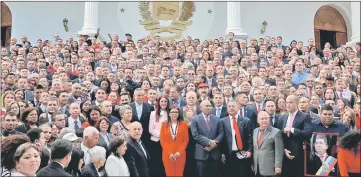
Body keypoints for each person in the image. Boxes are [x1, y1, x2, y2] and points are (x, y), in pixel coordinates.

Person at [277, 94, 312, 176]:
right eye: (287, 102)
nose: (288, 104)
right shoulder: (282, 118)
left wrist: (292, 130)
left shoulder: (304, 117)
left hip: (299, 154)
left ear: (297, 103)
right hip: (285, 154)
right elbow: (278, 135)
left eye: (291, 102)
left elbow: (308, 133)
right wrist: (284, 149)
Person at [191, 100, 224, 177]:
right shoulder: (195, 119)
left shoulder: (217, 119)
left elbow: (221, 134)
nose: (208, 108)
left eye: (209, 106)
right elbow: (195, 135)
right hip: (201, 154)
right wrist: (209, 142)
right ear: (201, 108)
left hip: (215, 154)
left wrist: (214, 144)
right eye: (206, 106)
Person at [220, 100, 253, 177]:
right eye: (229, 106)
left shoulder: (246, 121)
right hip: (228, 154)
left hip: (243, 153)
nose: (231, 108)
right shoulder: (222, 121)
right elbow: (221, 138)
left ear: (238, 108)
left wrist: (249, 150)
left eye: (233, 106)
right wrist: (221, 153)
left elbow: (250, 137)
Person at [160, 106, 189, 177]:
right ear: (169, 114)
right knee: (169, 174)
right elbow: (162, 140)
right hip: (168, 155)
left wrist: (179, 152)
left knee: (179, 174)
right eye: (172, 112)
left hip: (180, 154)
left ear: (179, 114)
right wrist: (169, 153)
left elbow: (185, 140)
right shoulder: (164, 124)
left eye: (176, 112)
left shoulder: (184, 124)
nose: (174, 114)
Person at [253, 111, 284, 177]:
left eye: (266, 118)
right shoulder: (255, 131)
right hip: (257, 167)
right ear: (258, 120)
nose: (264, 120)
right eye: (262, 119)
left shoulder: (276, 132)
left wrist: (278, 166)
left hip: (270, 167)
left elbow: (279, 151)